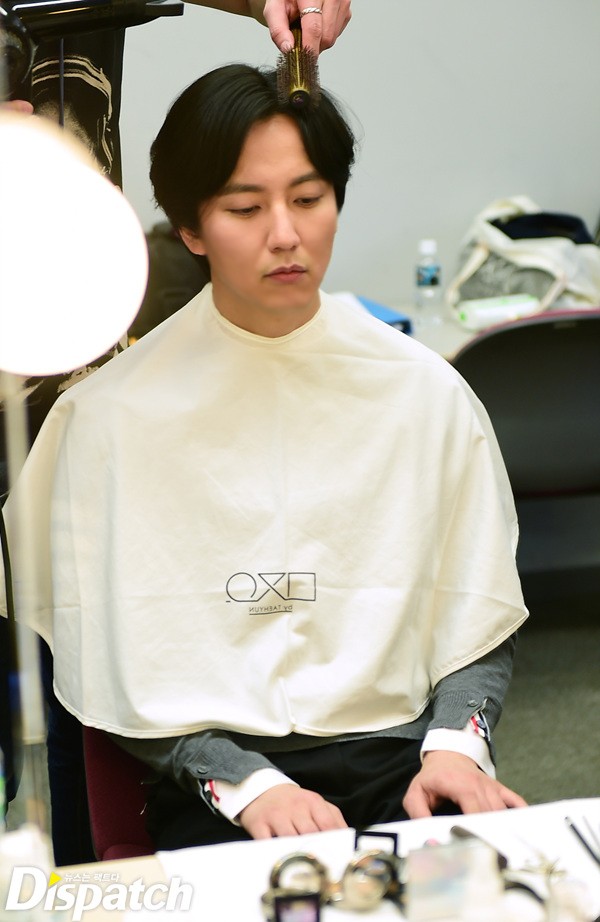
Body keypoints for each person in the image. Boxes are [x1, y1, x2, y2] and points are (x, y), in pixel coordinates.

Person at [1, 62, 529, 851]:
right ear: (190, 229)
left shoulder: (424, 392)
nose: (285, 234)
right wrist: (244, 784)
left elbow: (478, 612)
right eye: (246, 208)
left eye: (308, 199)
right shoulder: (108, 417)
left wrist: (458, 744)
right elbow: (103, 659)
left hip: (400, 758)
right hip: (214, 782)